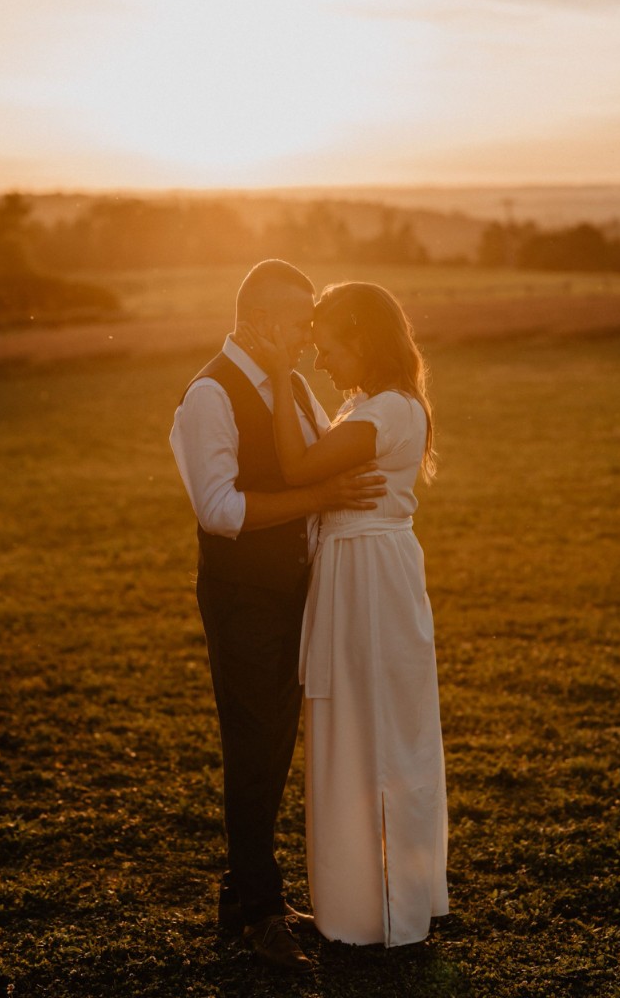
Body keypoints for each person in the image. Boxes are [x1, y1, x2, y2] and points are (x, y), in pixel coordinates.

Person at [169, 260, 386, 973]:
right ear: (261, 321)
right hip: (243, 597)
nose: (306, 338)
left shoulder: (290, 385)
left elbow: (320, 465)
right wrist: (322, 500)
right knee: (254, 745)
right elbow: (220, 510)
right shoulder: (209, 394)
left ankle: (246, 896)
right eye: (298, 323)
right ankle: (260, 912)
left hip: (299, 592)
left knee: (274, 743)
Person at [236, 280, 449, 948]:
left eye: (326, 347)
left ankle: (381, 908)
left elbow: (296, 468)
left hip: (368, 578)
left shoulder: (383, 412)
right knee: (361, 726)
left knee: (375, 731)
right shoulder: (371, 404)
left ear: (361, 339)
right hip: (358, 567)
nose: (318, 360)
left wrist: (276, 374)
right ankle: (372, 897)